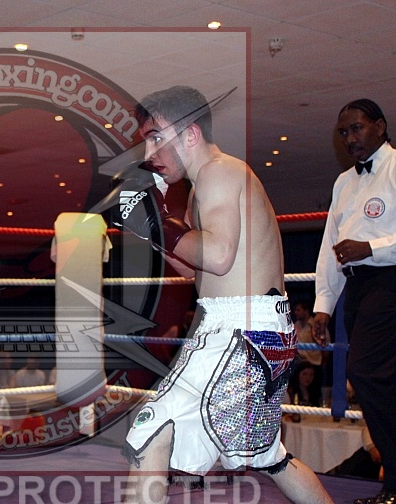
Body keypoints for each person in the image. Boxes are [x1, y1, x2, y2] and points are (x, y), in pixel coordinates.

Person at [119, 85, 331, 503]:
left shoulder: (219, 172)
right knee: (271, 457)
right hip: (255, 326)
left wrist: (156, 221)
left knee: (151, 428)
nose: (148, 153)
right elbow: (197, 271)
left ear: (190, 134)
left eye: (156, 137)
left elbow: (217, 256)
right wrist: (150, 229)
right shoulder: (203, 188)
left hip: (239, 327)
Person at [312, 98, 396, 504]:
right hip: (358, 289)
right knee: (377, 378)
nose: (350, 138)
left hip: (391, 281)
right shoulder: (344, 182)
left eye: (357, 128)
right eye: (343, 132)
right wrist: (322, 305)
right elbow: (330, 247)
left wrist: (372, 248)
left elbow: (362, 247)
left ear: (380, 126)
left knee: (365, 372)